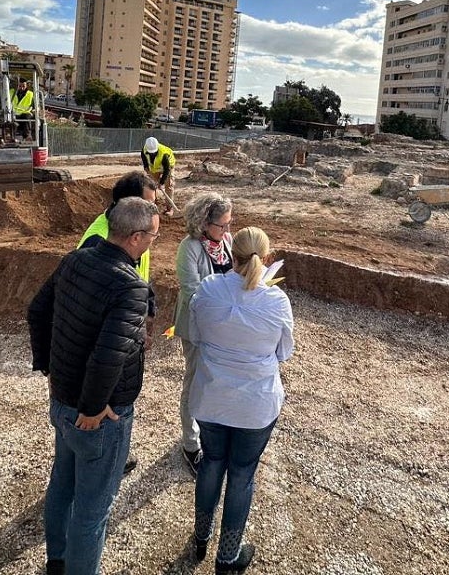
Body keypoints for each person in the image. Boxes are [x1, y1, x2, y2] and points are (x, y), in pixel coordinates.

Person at [26, 197, 159, 575]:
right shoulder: (130, 288)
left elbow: (37, 311)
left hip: (62, 399)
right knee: (92, 510)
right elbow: (108, 357)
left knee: (62, 485)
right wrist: (91, 408)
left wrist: (49, 370)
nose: (153, 242)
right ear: (134, 238)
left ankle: (58, 561)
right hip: (98, 415)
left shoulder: (74, 259)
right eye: (153, 235)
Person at [187, 227, 294, 574]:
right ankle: (228, 557)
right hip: (255, 404)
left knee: (212, 462)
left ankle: (200, 539)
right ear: (265, 259)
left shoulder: (207, 289)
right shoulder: (277, 301)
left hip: (212, 398)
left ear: (232, 255)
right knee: (242, 475)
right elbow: (284, 353)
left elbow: (197, 336)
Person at [78, 170, 159, 477]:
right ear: (127, 206)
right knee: (107, 400)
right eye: (148, 204)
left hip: (128, 326)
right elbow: (90, 317)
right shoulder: (98, 240)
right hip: (110, 340)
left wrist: (146, 316)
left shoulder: (135, 234)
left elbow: (140, 278)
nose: (154, 213)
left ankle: (112, 450)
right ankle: (101, 456)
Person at [174, 192, 234, 477]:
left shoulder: (227, 242)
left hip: (222, 326)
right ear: (204, 222)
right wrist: (226, 303)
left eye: (229, 224)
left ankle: (208, 430)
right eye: (222, 225)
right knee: (195, 380)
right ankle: (189, 442)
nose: (227, 231)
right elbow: (192, 291)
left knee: (215, 381)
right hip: (198, 327)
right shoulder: (189, 248)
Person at [141, 136, 176, 214]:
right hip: (154, 168)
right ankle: (153, 204)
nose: (152, 153)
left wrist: (161, 183)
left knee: (169, 186)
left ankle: (169, 209)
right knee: (151, 185)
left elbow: (167, 170)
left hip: (168, 167)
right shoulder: (144, 150)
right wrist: (148, 173)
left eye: (153, 152)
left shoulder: (163, 153)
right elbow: (145, 164)